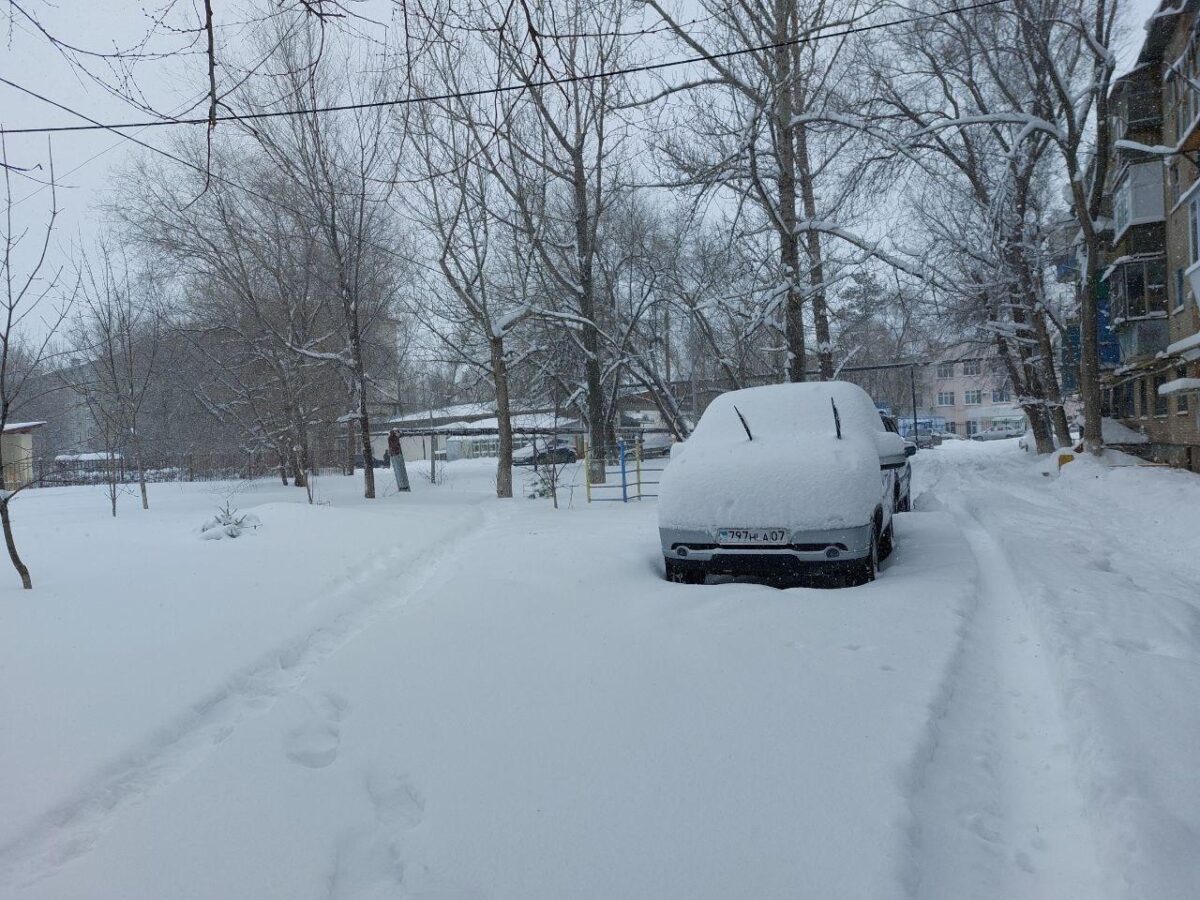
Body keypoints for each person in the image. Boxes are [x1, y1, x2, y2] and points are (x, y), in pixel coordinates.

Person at [387, 427, 410, 492]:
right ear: (395, 433)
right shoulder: (393, 437)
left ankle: (402, 486)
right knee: (399, 469)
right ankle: (403, 486)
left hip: (394, 454)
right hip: (396, 454)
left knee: (398, 470)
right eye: (398, 433)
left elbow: (399, 436)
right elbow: (395, 444)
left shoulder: (392, 436)